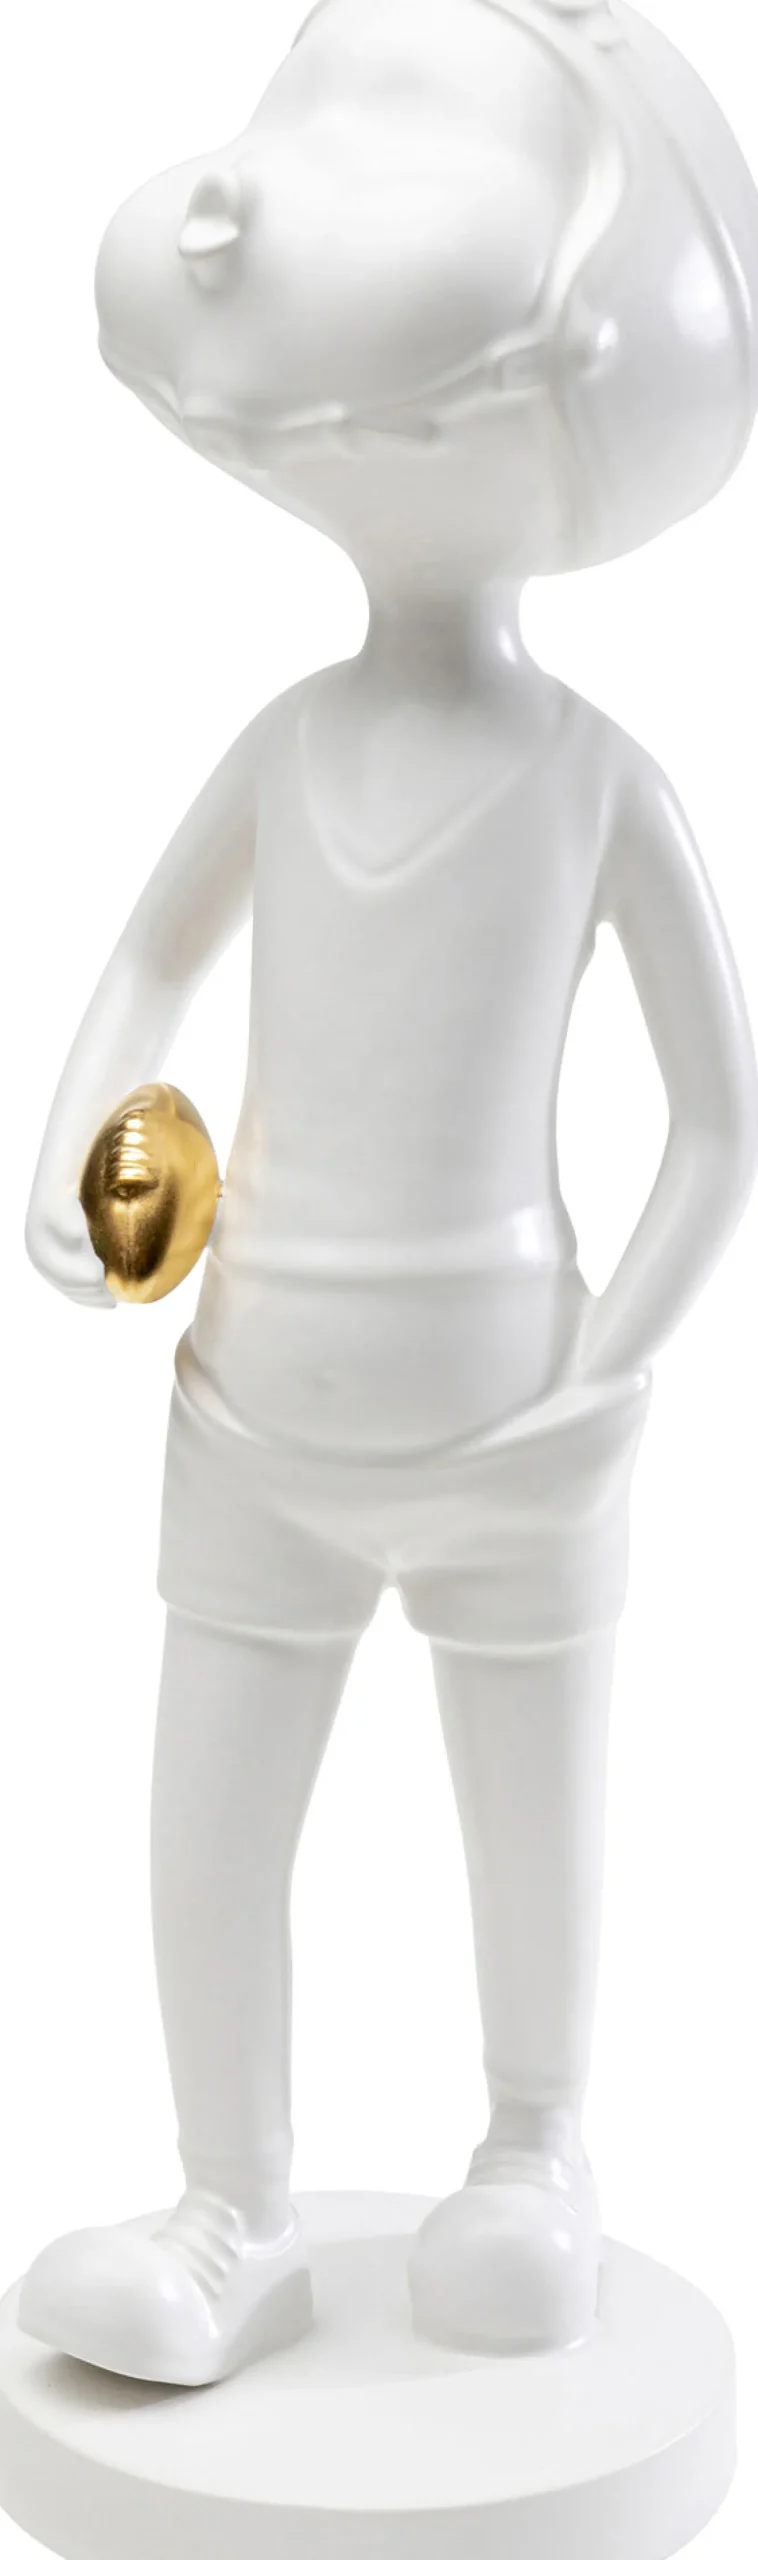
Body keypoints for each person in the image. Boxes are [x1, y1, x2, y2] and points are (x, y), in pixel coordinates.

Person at [21, 0, 758, 2384]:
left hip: (514, 1410)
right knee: (207, 1805)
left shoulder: (597, 779)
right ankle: (225, 2201)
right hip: (254, 1390)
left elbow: (720, 1122)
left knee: (527, 1798)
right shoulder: (286, 741)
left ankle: (534, 2149)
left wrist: (607, 1383)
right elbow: (153, 956)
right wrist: (83, 1153)